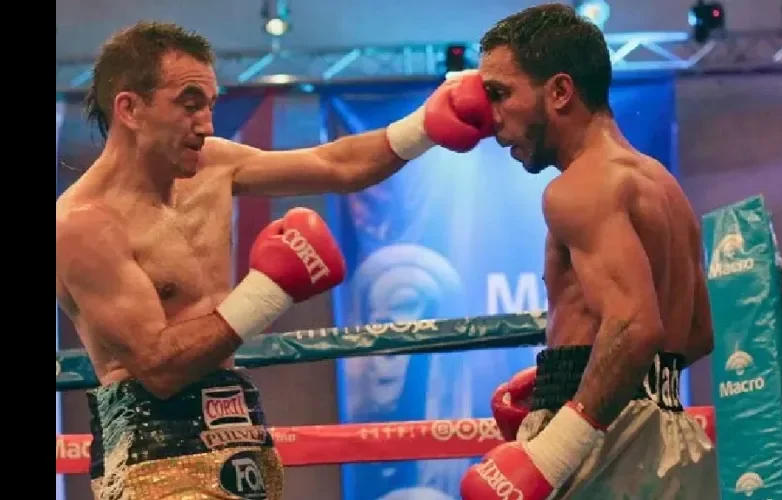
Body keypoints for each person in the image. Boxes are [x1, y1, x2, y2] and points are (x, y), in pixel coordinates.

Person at [55, 21, 493, 499]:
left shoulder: (213, 165)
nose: (206, 124)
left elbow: (336, 165)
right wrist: (270, 290)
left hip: (239, 430)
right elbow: (158, 368)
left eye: (210, 105)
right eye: (189, 104)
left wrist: (424, 126)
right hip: (152, 450)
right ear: (130, 108)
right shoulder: (84, 224)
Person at [459, 4, 719, 499]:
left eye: (500, 94)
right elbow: (698, 334)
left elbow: (635, 327)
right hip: (668, 434)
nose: (490, 119)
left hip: (601, 439)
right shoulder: (662, 185)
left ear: (559, 91)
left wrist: (554, 448)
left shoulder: (579, 188)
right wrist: (564, 373)